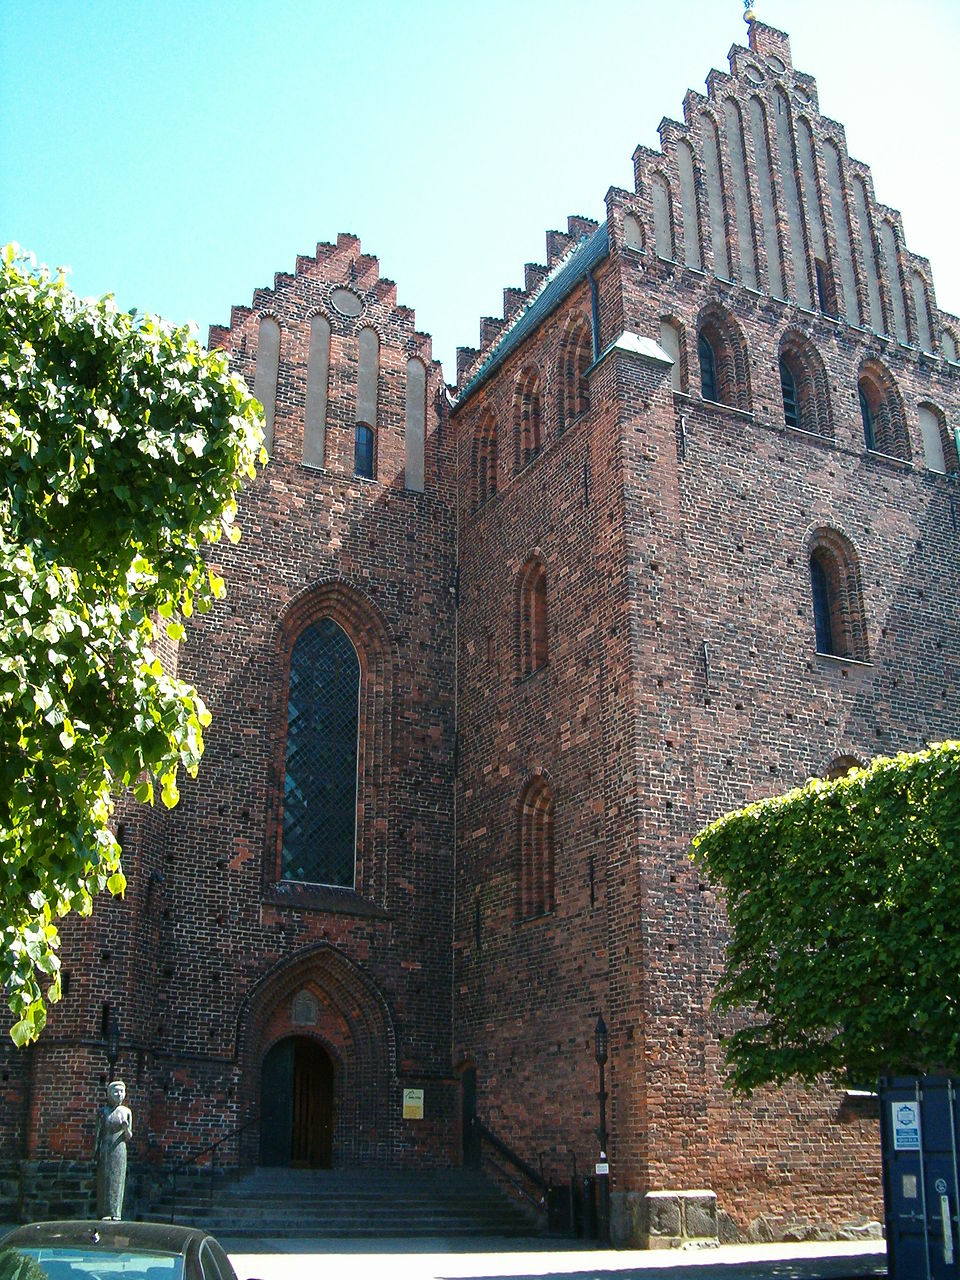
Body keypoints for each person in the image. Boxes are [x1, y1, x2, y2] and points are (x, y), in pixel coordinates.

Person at [94, 1079, 132, 1219]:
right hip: (106, 1147)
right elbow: (98, 1133)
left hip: (119, 1149)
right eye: (116, 1091)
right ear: (109, 1094)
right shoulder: (103, 1112)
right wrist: (96, 1151)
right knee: (105, 1179)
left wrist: (126, 1128)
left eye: (122, 1091)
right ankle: (104, 1211)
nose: (119, 1094)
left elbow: (128, 1137)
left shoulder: (126, 1112)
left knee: (118, 1180)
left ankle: (116, 1212)